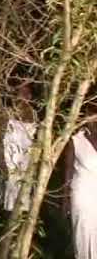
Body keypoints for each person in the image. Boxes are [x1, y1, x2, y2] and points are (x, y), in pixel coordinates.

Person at [63, 103, 97, 259]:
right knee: (83, 233)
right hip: (82, 193)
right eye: (92, 114)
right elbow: (68, 170)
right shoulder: (76, 140)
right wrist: (65, 199)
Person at [2, 82, 37, 212]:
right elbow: (0, 139)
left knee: (25, 191)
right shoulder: (8, 113)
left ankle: (23, 222)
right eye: (20, 92)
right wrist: (1, 160)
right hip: (11, 158)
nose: (24, 96)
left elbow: (34, 139)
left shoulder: (34, 113)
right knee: (11, 192)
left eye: (27, 93)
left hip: (26, 158)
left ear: (31, 96)